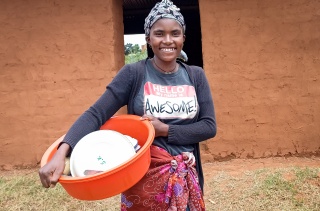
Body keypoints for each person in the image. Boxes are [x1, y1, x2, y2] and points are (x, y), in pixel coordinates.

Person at [39, 0, 216, 210]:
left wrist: (165, 130)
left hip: (185, 179)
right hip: (144, 177)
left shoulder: (195, 76)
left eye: (175, 33)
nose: (167, 40)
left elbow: (208, 126)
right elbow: (96, 114)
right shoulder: (134, 74)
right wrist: (62, 152)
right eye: (159, 33)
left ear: (183, 38)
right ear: (148, 38)